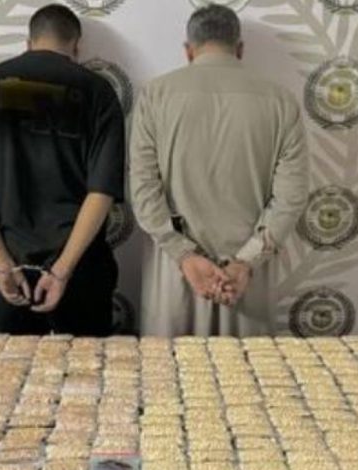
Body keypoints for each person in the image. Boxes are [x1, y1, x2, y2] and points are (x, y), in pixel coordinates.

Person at [130, 4, 309, 336]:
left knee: (169, 366)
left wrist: (184, 254)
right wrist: (246, 261)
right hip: (245, 282)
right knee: (247, 367)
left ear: (188, 50)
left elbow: (143, 190)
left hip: (175, 277)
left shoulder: (155, 96)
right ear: (240, 49)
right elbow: (291, 198)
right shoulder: (281, 101)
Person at [0, 4, 125, 336]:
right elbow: (101, 190)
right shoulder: (98, 92)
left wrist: (2, 264)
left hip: (12, 270)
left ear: (28, 42)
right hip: (81, 268)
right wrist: (62, 271)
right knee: (89, 368)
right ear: (77, 46)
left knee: (14, 368)